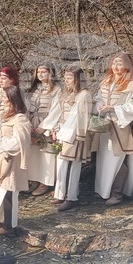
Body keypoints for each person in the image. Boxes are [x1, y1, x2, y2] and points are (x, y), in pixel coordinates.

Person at [0, 85, 31, 237]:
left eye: (5, 98)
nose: (2, 100)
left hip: (11, 160)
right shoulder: (11, 117)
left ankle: (9, 226)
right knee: (0, 190)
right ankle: (2, 221)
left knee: (8, 192)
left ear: (12, 100)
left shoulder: (20, 119)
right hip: (3, 158)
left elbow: (18, 143)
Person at [94, 53, 133, 205]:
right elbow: (97, 99)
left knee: (118, 158)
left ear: (127, 66)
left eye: (120, 63)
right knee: (104, 159)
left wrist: (114, 108)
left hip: (121, 126)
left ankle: (117, 193)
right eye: (114, 63)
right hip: (104, 125)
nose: (116, 67)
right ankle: (103, 190)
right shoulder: (106, 81)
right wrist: (99, 106)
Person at [42, 67, 92, 212]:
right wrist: (55, 128)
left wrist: (68, 133)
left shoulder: (84, 95)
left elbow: (79, 118)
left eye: (70, 78)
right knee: (61, 164)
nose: (66, 81)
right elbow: (60, 113)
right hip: (63, 132)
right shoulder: (66, 93)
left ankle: (71, 197)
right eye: (66, 77)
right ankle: (60, 193)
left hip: (75, 135)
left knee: (73, 166)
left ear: (78, 80)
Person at [26, 63, 61, 197]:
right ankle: (34, 179)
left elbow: (56, 110)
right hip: (32, 122)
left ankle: (45, 182)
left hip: (46, 125)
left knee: (46, 154)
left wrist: (44, 126)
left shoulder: (57, 90)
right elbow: (27, 107)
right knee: (34, 154)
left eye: (44, 71)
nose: (40, 74)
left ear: (51, 73)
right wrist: (27, 124)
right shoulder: (34, 89)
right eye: (38, 72)